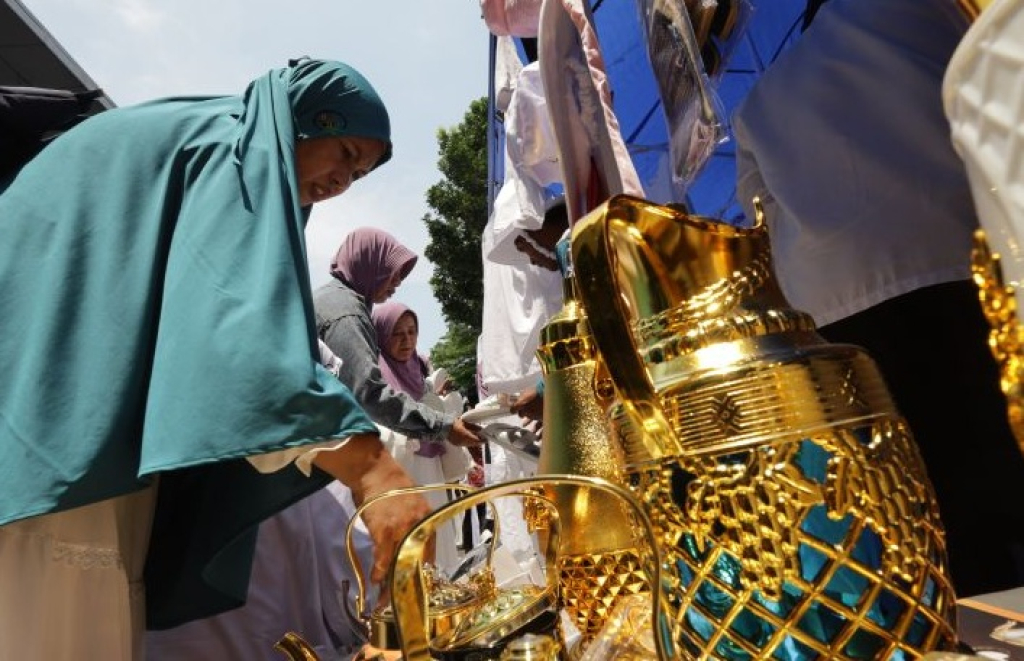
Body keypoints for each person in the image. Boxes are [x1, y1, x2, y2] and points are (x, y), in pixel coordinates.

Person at [0, 58, 430, 658]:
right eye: (345, 154)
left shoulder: (187, 134)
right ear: (305, 119)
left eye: (359, 174)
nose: (343, 183)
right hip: (59, 452)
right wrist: (373, 468)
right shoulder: (234, 147)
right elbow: (232, 325)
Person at [733, 0, 1024, 596]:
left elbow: (759, 233)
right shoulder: (918, 9)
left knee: (935, 506)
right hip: (964, 265)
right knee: (1002, 462)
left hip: (846, 320)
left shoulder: (759, 105)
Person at [314, 228, 483, 455]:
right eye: (391, 271)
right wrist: (445, 426)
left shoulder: (336, 301)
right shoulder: (347, 314)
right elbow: (369, 394)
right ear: (368, 264)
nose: (398, 282)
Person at [372, 301, 475, 572]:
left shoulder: (419, 374)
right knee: (411, 555)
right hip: (402, 477)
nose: (406, 340)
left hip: (432, 476)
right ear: (382, 335)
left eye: (411, 332)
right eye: (397, 333)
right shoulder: (377, 386)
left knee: (440, 546)